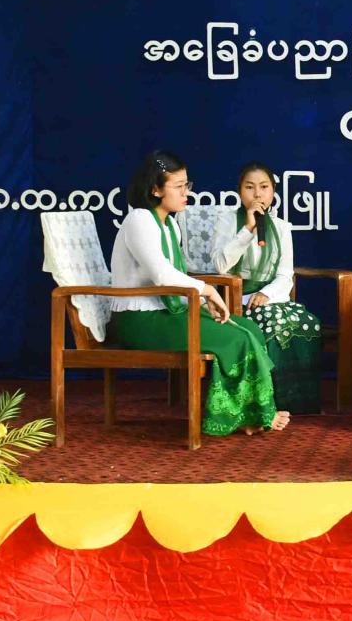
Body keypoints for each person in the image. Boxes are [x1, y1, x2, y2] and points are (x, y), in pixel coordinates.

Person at [107, 151, 288, 436]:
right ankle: (244, 415)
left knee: (248, 327)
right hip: (139, 320)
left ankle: (252, 412)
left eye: (187, 185)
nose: (186, 193)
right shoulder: (139, 220)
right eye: (178, 186)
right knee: (235, 338)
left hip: (168, 311)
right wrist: (208, 292)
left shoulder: (170, 224)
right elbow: (162, 276)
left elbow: (175, 277)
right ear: (155, 190)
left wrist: (203, 301)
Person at [209, 162, 324, 416]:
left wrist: (267, 294)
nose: (257, 194)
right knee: (271, 322)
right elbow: (219, 265)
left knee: (308, 322)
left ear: (273, 191)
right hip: (235, 300)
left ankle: (296, 401)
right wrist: (247, 229)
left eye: (264, 187)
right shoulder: (227, 221)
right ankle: (264, 403)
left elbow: (285, 274)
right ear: (240, 191)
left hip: (270, 298)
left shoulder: (281, 227)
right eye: (250, 187)